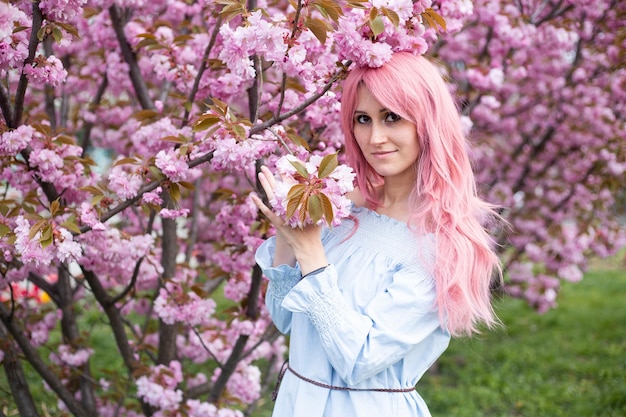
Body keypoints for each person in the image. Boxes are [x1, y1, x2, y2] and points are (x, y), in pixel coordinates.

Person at [250, 52, 501, 417]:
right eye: (363, 119)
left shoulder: (437, 246)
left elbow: (359, 360)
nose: (375, 137)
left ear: (427, 123)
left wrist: (310, 253)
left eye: (392, 118)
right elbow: (285, 318)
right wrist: (289, 235)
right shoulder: (345, 208)